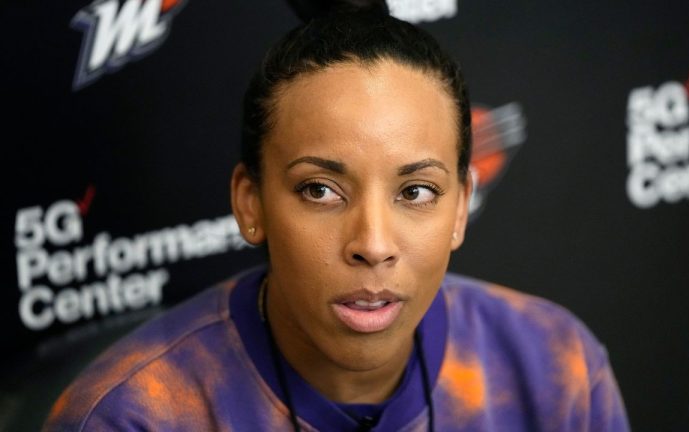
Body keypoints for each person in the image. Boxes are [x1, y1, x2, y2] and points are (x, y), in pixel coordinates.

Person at [44, 1, 630, 431]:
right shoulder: (131, 418)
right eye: (321, 190)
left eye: (417, 191)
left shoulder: (558, 366)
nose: (373, 244)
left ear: (459, 207)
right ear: (251, 204)